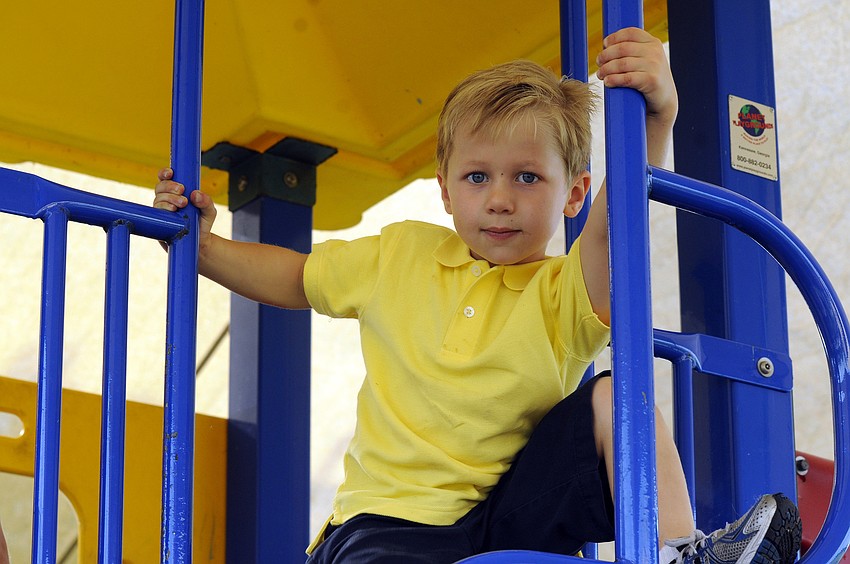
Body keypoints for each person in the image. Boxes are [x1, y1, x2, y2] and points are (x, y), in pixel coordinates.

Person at [154, 27, 801, 564]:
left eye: (526, 176)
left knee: (611, 395)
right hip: (390, 524)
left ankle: (676, 551)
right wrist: (206, 248)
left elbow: (618, 226)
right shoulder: (401, 252)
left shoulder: (562, 293)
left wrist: (656, 117)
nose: (499, 197)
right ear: (444, 188)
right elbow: (294, 277)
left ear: (573, 193)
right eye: (476, 175)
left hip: (510, 511)